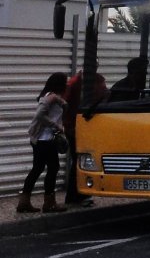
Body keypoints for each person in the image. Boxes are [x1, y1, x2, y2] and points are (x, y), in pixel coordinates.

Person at [17, 72, 69, 214]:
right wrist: (56, 126)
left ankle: (24, 202)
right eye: (65, 82)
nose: (67, 84)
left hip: (42, 140)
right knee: (53, 167)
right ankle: (49, 203)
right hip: (45, 140)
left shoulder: (53, 97)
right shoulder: (50, 97)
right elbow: (40, 115)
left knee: (38, 168)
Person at [62, 69, 107, 206]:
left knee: (81, 161)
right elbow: (64, 103)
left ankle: (79, 194)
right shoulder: (79, 82)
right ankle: (75, 195)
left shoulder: (91, 80)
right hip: (77, 127)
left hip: (84, 126)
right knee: (79, 161)